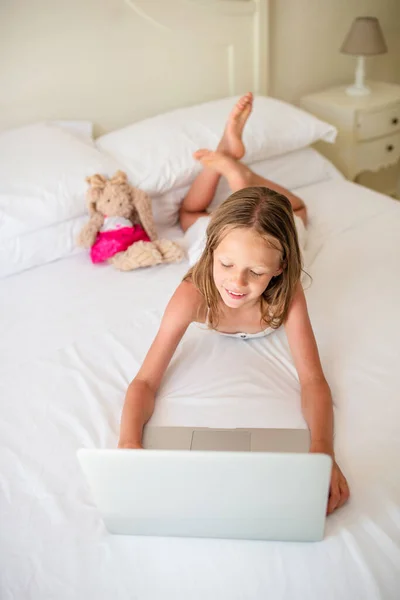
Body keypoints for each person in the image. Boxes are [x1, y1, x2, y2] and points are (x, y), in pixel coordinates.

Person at [118, 93, 350, 515]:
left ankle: (233, 166)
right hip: (217, 235)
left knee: (296, 209)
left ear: (280, 269)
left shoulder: (287, 290)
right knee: (192, 214)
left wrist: (322, 452)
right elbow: (145, 383)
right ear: (212, 252)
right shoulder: (193, 293)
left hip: (257, 233)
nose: (237, 284)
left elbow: (313, 381)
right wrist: (128, 445)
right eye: (226, 264)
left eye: (257, 273)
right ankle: (232, 165)